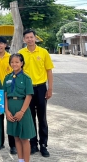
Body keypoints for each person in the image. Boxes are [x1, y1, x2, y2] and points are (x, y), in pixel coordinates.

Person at [19, 29, 54, 157]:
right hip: (27, 89)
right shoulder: (21, 53)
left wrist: (50, 88)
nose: (29, 39)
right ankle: (33, 144)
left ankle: (43, 145)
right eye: (27, 37)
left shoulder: (43, 52)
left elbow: (49, 71)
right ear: (24, 40)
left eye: (31, 37)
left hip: (40, 88)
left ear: (35, 38)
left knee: (42, 118)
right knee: (30, 117)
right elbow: (18, 72)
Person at [4, 53, 36, 162]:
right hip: (11, 109)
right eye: (12, 62)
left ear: (22, 63)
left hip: (23, 109)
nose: (14, 64)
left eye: (17, 62)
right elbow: (5, 95)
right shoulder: (7, 77)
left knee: (24, 138)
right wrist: (6, 111)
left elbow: (29, 95)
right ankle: (20, 160)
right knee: (16, 137)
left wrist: (22, 111)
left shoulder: (26, 78)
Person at [0, 36, 17, 154]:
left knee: (10, 118)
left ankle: (13, 145)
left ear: (5, 45)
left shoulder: (11, 58)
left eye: (1, 43)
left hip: (10, 91)